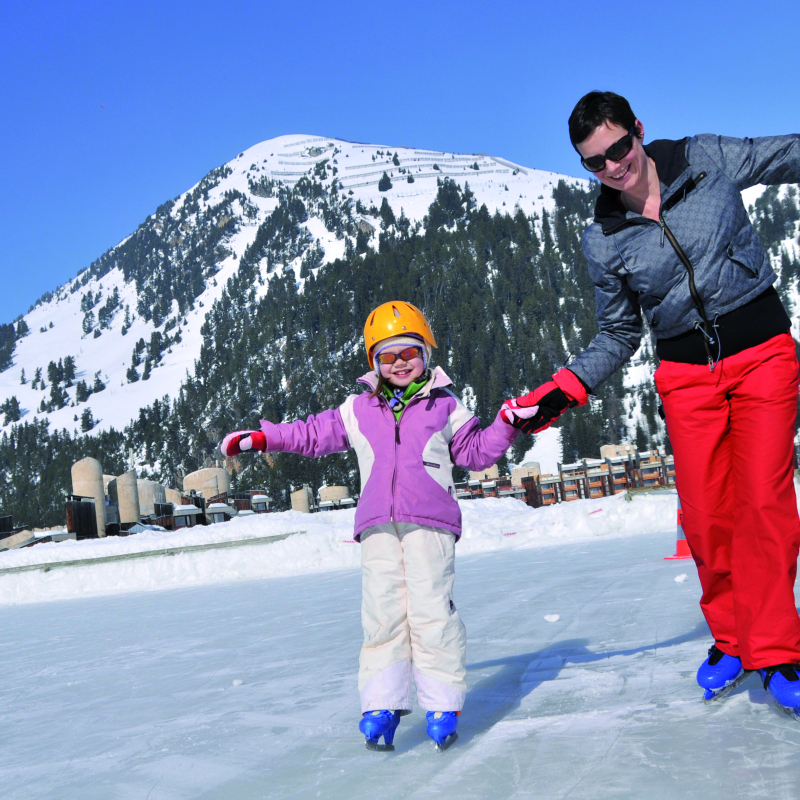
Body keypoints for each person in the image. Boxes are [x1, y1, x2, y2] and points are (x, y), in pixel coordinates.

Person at [502, 91, 800, 714]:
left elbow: (782, 156)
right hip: (686, 376)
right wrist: (557, 393)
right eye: (595, 162)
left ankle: (776, 649)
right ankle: (732, 639)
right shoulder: (604, 239)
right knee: (705, 516)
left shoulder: (704, 159)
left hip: (762, 353)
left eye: (619, 147)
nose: (614, 166)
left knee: (764, 501)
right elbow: (616, 333)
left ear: (638, 130)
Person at [221, 301, 521, 750]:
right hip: (378, 525)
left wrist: (507, 423)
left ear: (426, 353)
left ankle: (442, 702)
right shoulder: (358, 408)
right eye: (388, 356)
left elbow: (477, 453)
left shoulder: (445, 405)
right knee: (382, 615)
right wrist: (267, 437)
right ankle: (382, 701)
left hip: (430, 524)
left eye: (409, 352)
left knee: (431, 611)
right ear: (373, 362)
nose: (400, 363)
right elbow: (311, 434)